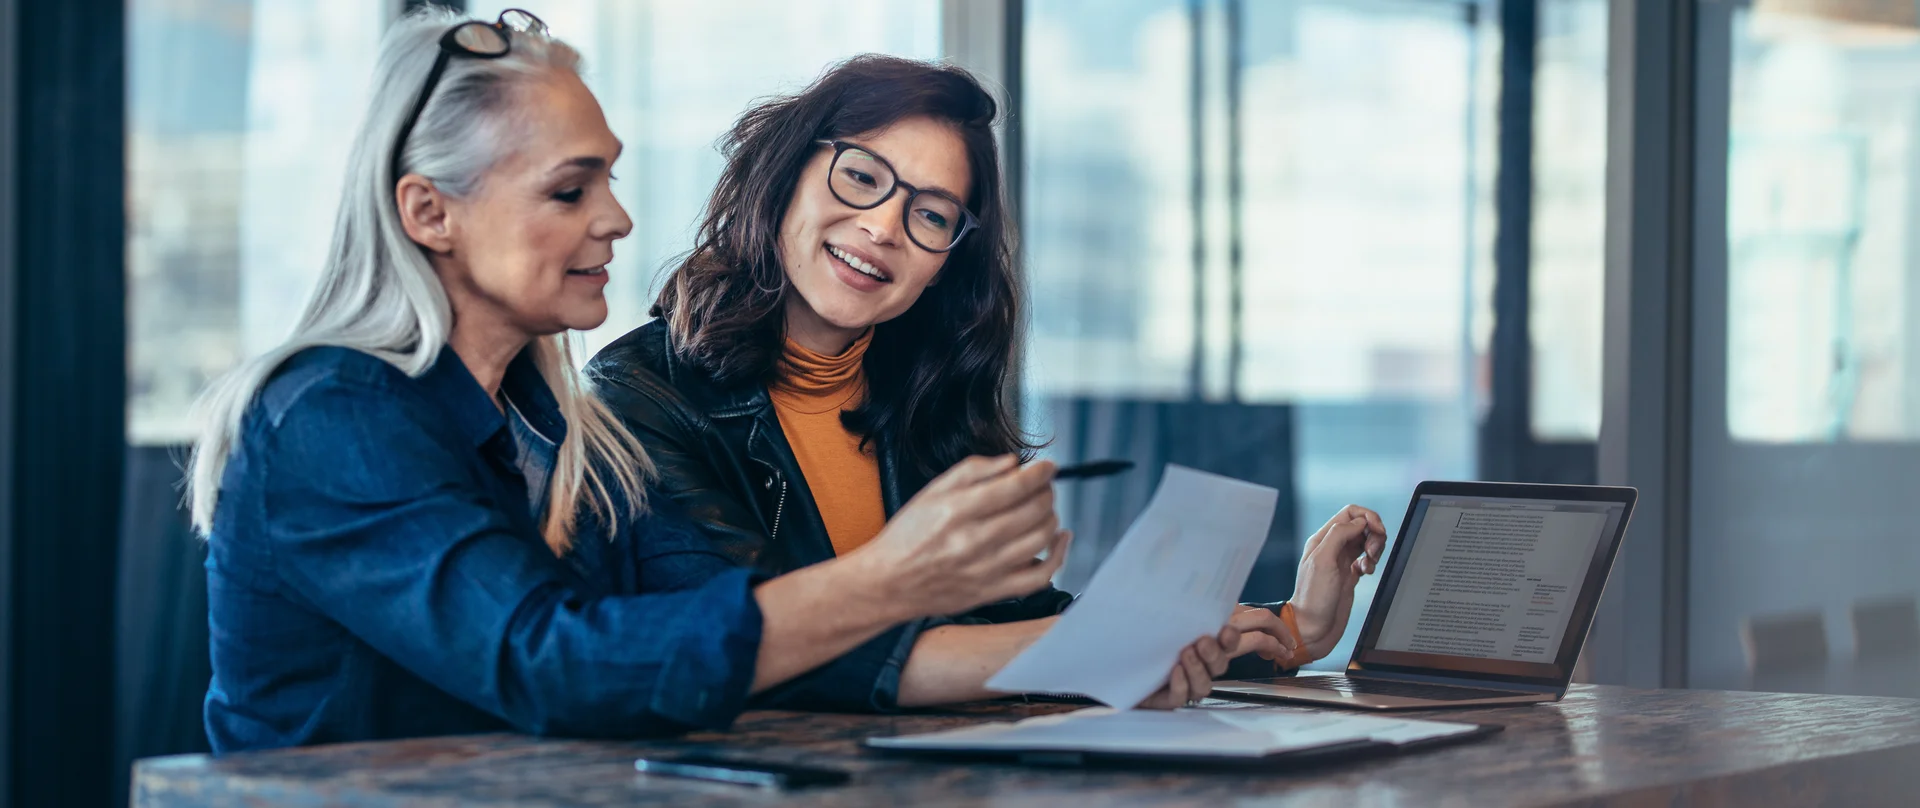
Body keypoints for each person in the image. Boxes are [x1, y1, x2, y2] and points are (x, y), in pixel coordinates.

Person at [190, 10, 1245, 754]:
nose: (617, 218)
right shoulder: (330, 418)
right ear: (429, 213)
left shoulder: (556, 428)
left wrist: (1132, 647)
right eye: (571, 187)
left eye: (608, 175)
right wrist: (895, 578)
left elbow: (715, 638)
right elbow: (553, 664)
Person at [585, 55, 1389, 690]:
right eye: (862, 176)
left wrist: (1289, 630)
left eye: (931, 214)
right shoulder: (638, 396)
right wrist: (1092, 651)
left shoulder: (927, 398)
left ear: (947, 259)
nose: (882, 227)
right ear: (786, 173)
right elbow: (755, 647)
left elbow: (1019, 625)